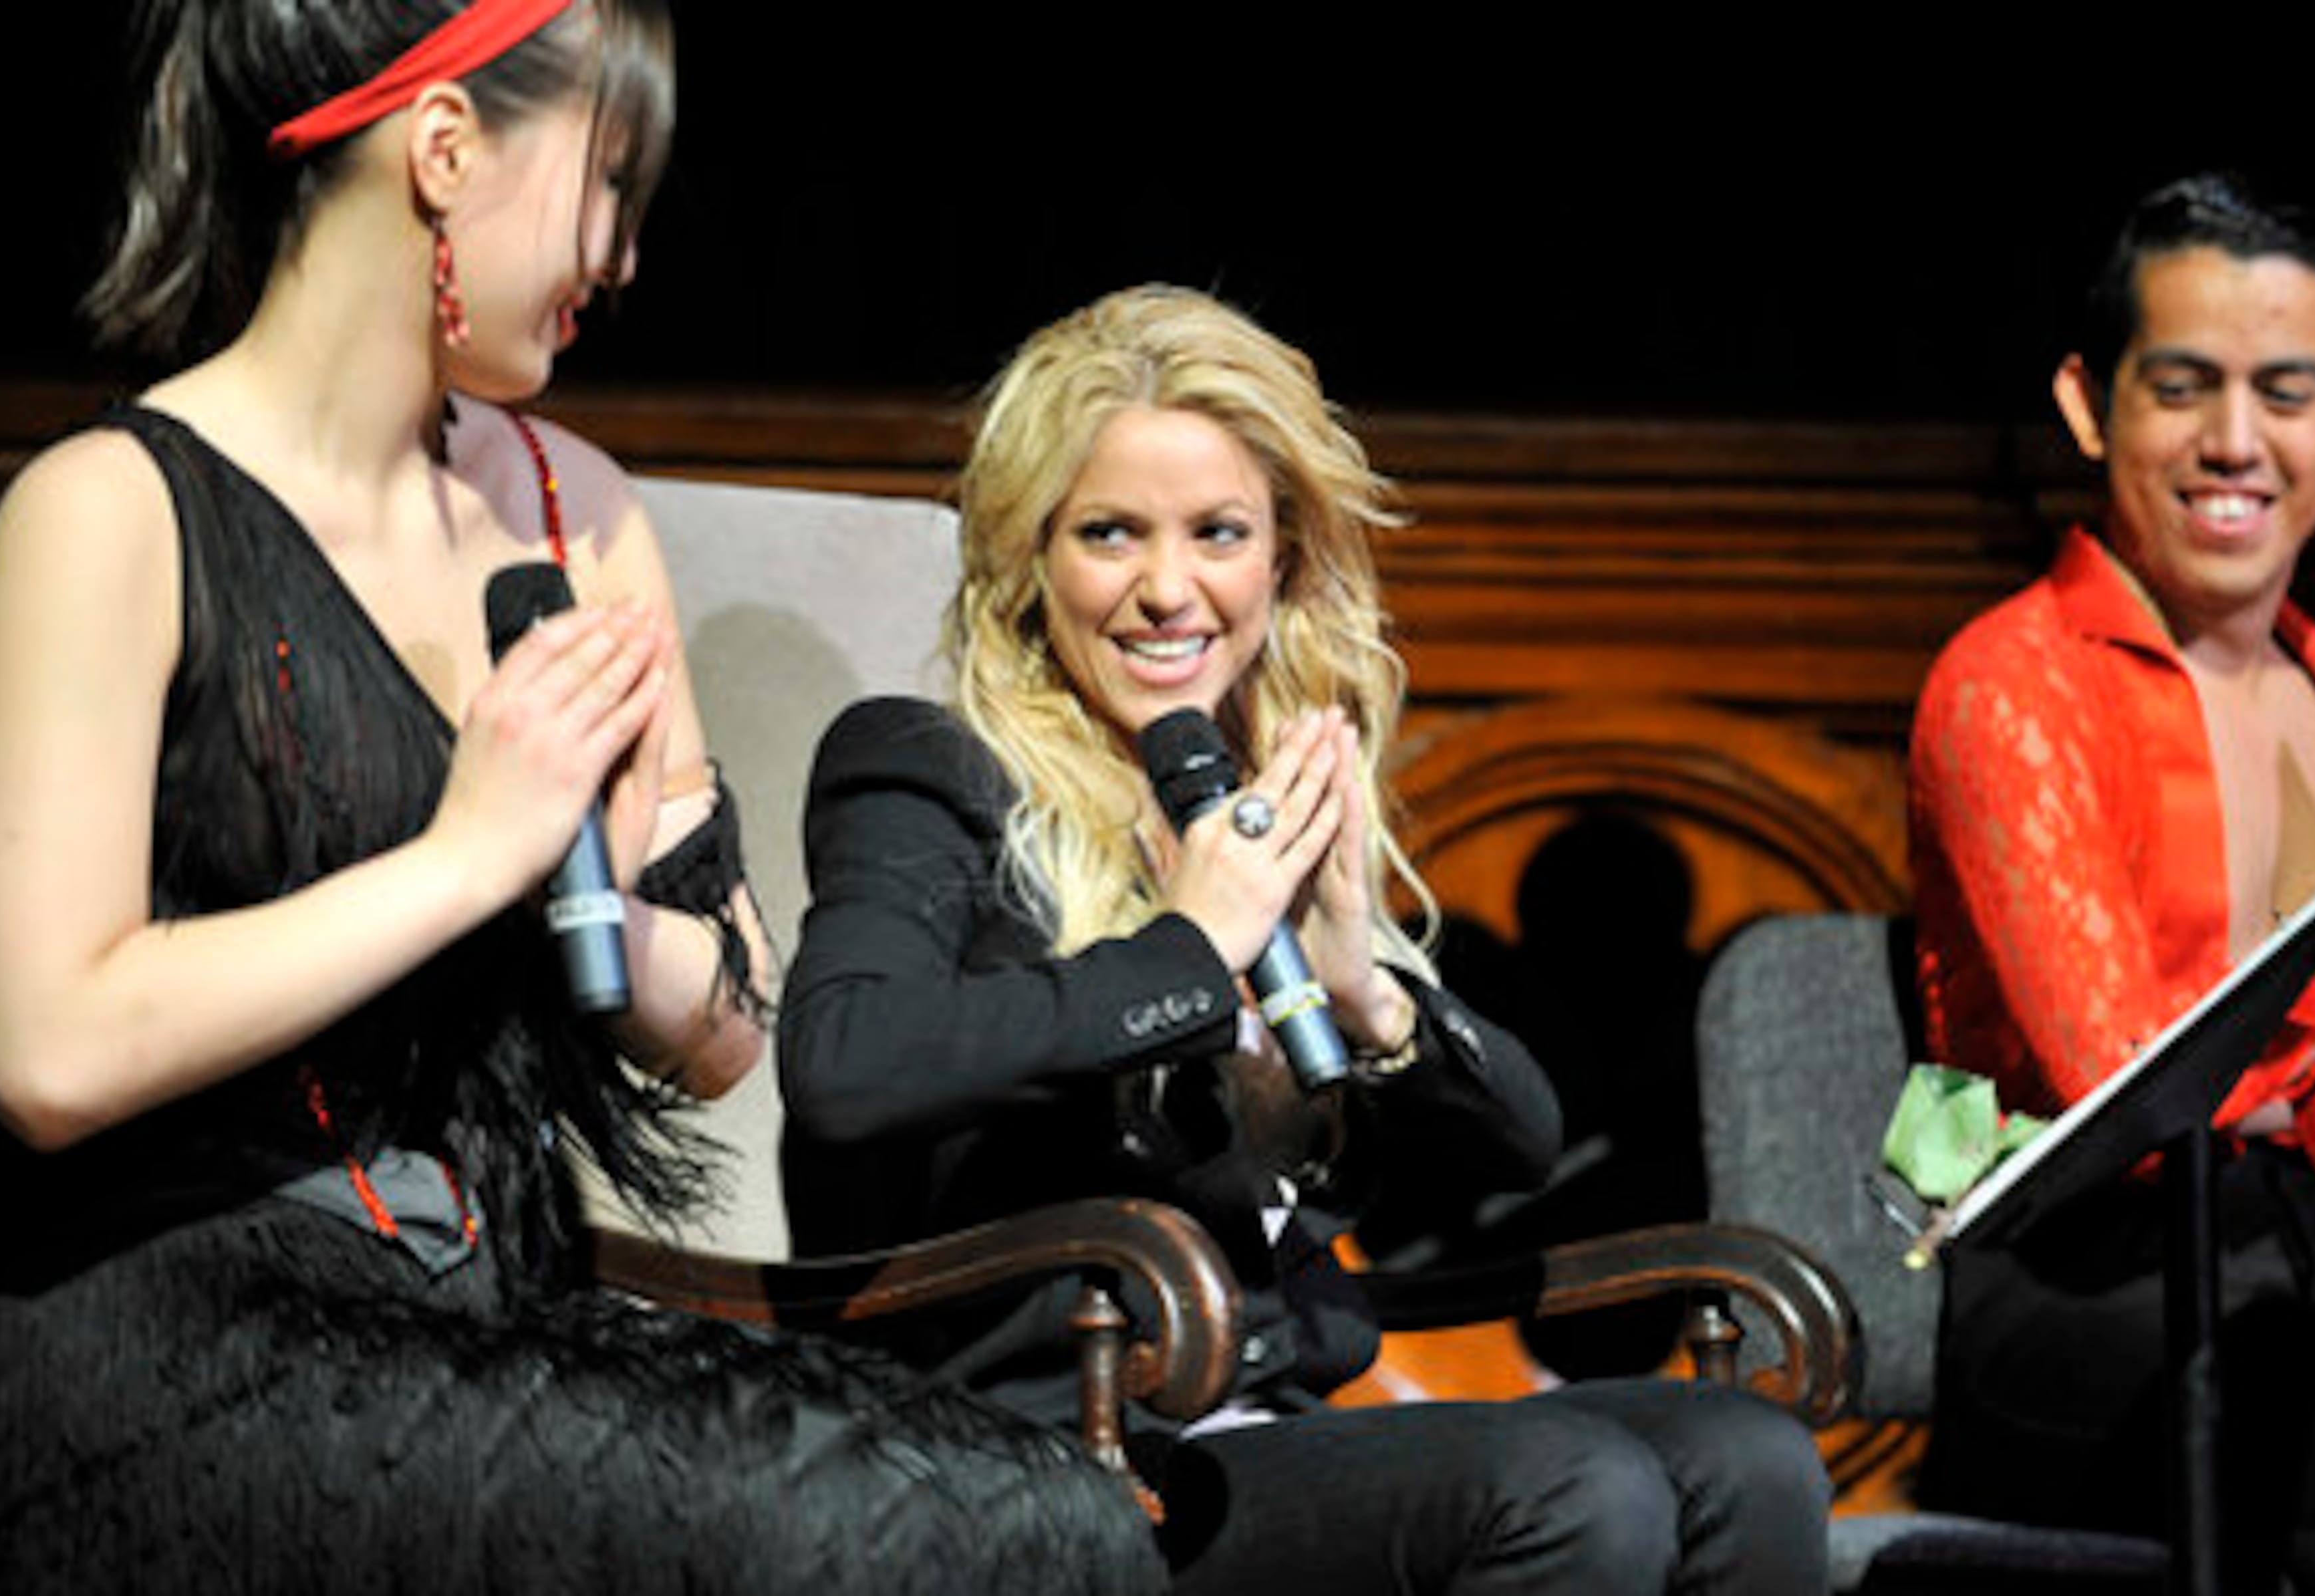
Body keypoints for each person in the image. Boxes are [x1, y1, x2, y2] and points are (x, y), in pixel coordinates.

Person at [0, 4, 1162, 1590]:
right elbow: (48, 1046)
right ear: (446, 152)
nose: (623, 257)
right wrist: (473, 853)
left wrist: (604, 886)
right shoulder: (106, 510)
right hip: (185, 1347)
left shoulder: (576, 510)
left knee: (1047, 1514)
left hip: (492, 1304)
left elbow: (724, 1031)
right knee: (880, 1537)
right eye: (607, 188)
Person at [779, 283, 1830, 1595]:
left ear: (1281, 561)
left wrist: (1366, 991)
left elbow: (1523, 1139)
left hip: (1272, 1431)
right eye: (1110, 534)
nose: (1170, 590)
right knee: (1581, 1492)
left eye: (1218, 533)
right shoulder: (929, 770)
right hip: (1051, 1445)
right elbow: (845, 1063)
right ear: (1030, 561)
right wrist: (1184, 948)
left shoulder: (1253, 793)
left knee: (1748, 1455)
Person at [1909, 172, 2315, 1595]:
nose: (2234, 442)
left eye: (2285, 393)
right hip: (2092, 1284)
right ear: (2088, 404)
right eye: (2183, 388)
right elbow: (2120, 1097)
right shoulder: (2014, 684)